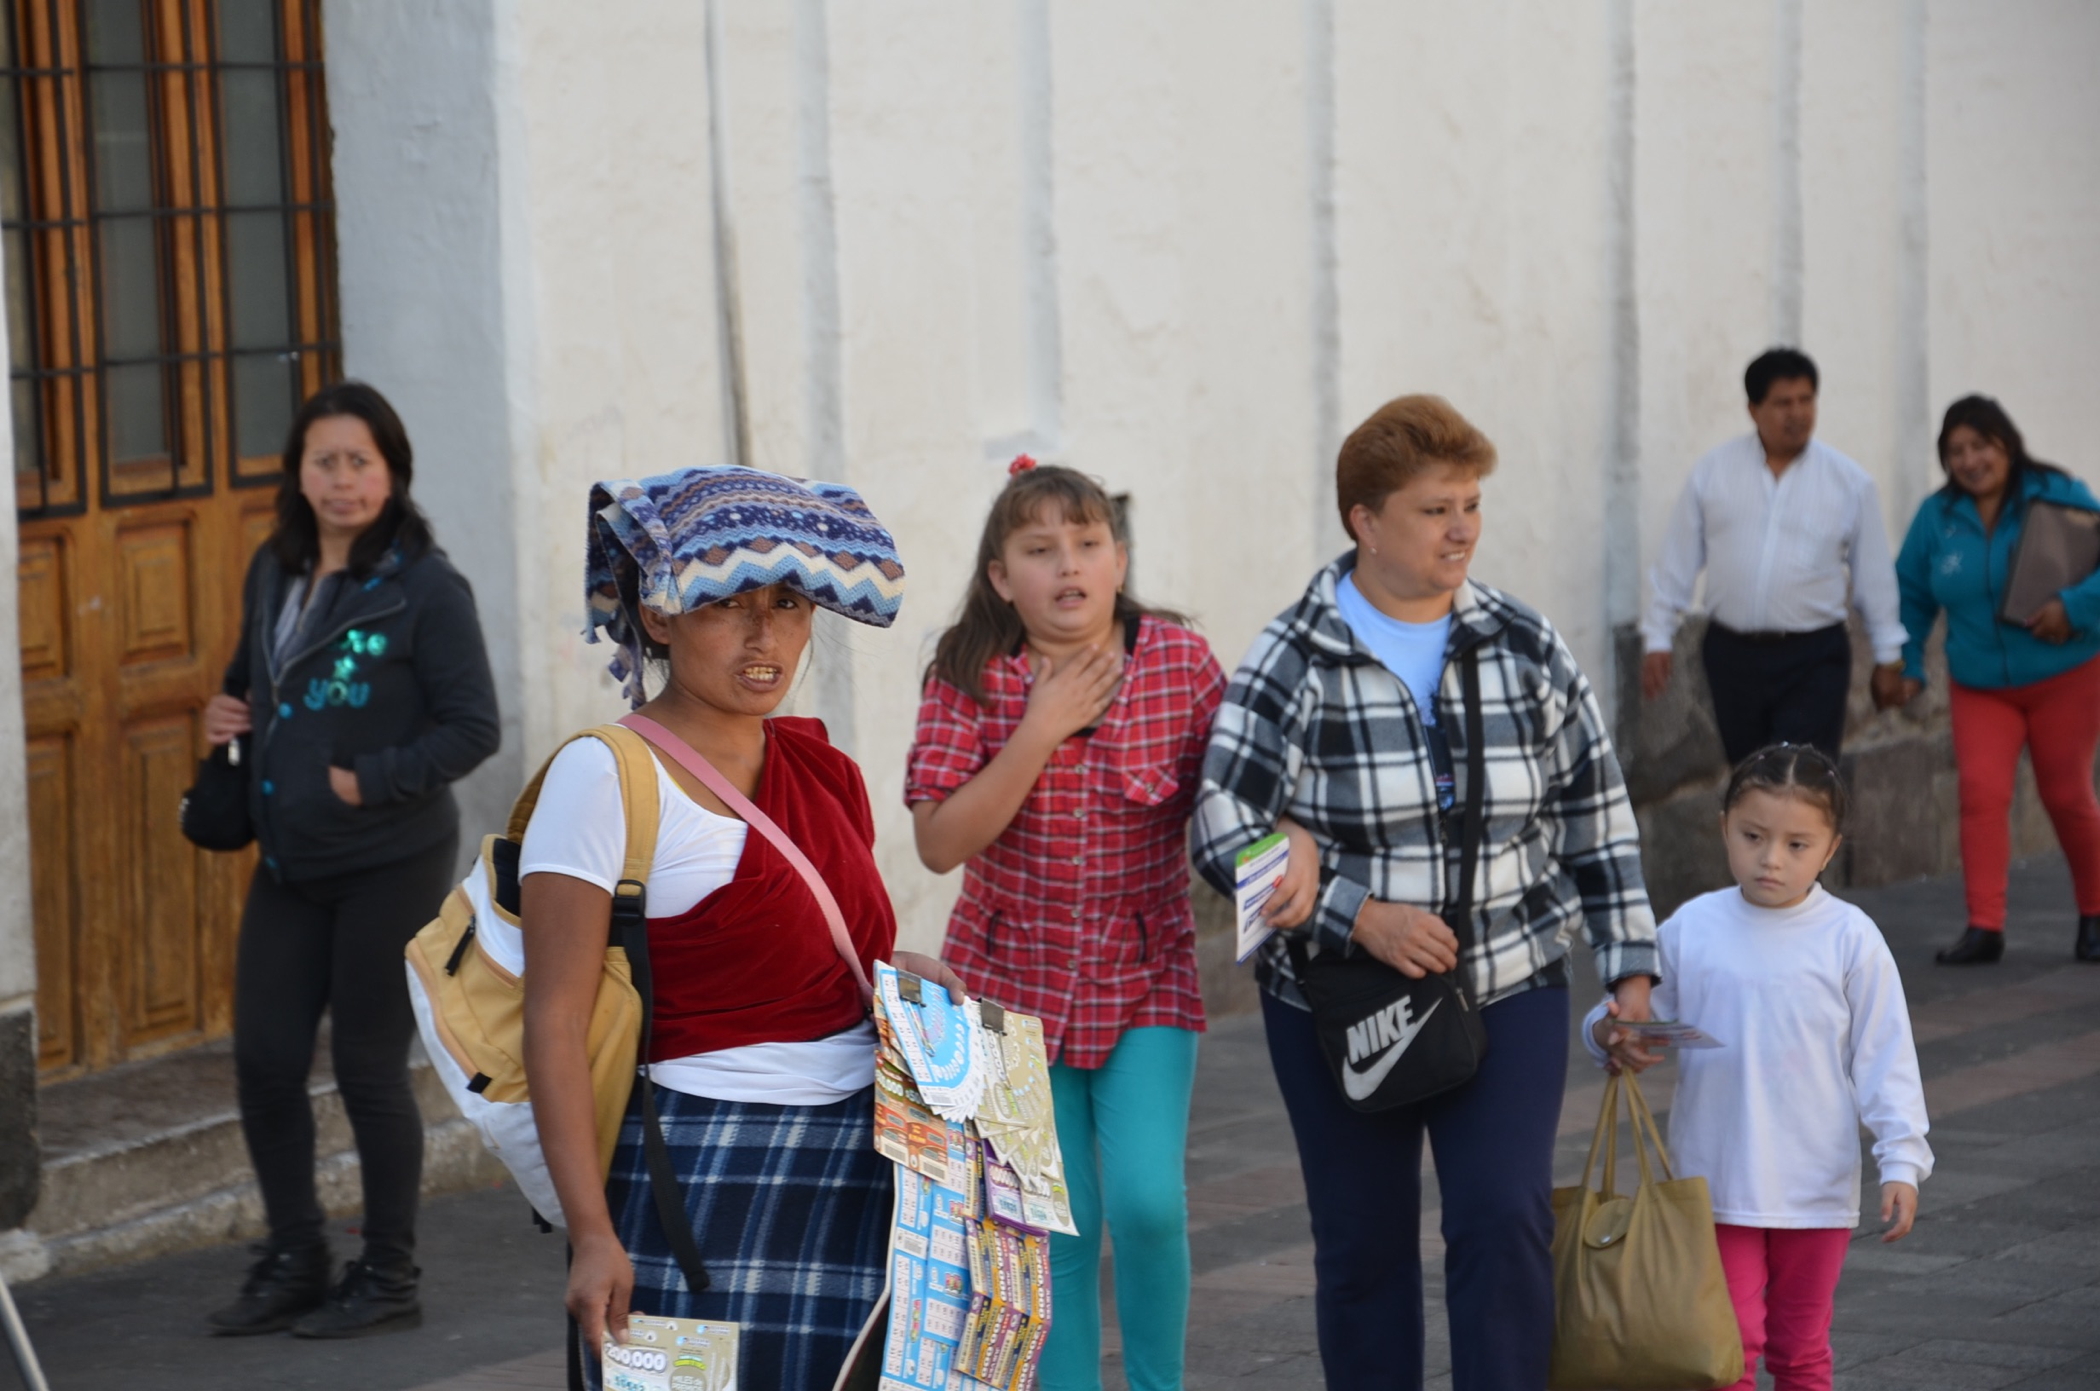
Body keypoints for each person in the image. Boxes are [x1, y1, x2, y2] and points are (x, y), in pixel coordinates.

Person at [1193, 395, 1658, 1391]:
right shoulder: (1295, 653)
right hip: (1342, 999)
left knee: (1503, 1219)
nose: (1461, 530)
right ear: (1364, 517)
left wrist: (1630, 967)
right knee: (1363, 1248)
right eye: (1434, 508)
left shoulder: (1523, 640)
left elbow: (1594, 806)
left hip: (1511, 976)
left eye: (1471, 505)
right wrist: (1353, 911)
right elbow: (1220, 822)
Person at [520, 466, 959, 1391]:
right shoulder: (603, 778)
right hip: (699, 1172)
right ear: (660, 615)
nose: (768, 636)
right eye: (728, 602)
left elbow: (833, 944)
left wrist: (899, 972)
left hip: (867, 1160)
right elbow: (553, 1021)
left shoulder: (819, 763)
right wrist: (593, 1234)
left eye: (790, 602)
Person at [906, 457, 1225, 1391]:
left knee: (1148, 1204)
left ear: (1119, 559)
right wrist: (1039, 728)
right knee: (1048, 1226)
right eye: (1040, 549)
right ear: (1002, 576)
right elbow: (937, 841)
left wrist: (1285, 870)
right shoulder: (968, 671)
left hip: (1148, 971)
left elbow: (1238, 800)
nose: (1068, 565)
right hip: (1007, 987)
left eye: (1087, 543)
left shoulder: (1179, 660)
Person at [202, 381, 501, 1337]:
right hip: (290, 858)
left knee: (369, 1069)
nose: (342, 480)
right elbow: (254, 680)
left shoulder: (425, 586)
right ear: (298, 471)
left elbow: (472, 726)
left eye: (359, 462)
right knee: (266, 1059)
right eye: (324, 461)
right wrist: (224, 710)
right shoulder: (274, 568)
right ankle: (296, 1254)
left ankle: (389, 1274)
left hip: (390, 859)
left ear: (392, 472)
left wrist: (367, 781)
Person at [1587, 744, 1931, 1391]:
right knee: (1724, 1348)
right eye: (1753, 836)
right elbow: (1629, 1010)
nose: (1771, 857)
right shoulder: (1694, 927)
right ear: (1724, 827)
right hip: (1714, 1185)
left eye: (1798, 843)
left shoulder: (1850, 937)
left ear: (1831, 849)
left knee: (1800, 1349)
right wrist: (1609, 1031)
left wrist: (1902, 1161)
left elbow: (1887, 1056)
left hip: (1815, 1188)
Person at [1888, 395, 2100, 965]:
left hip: (2066, 675)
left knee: (2067, 795)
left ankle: (2095, 914)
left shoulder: (2058, 492)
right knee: (1981, 795)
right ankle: (1985, 927)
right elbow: (1908, 594)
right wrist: (1907, 665)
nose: (1969, 460)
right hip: (1980, 684)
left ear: (2005, 443)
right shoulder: (1937, 517)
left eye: (1979, 445)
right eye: (1955, 451)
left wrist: (2073, 608)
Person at [1641, 347, 1908, 763]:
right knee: (1750, 776)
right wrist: (1658, 635)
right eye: (1783, 403)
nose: (1797, 413)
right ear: (1753, 409)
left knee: (1799, 778)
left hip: (1813, 657)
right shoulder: (1713, 472)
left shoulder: (1849, 482)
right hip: (1732, 655)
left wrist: (1889, 655)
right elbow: (1678, 559)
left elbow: (1874, 575)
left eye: (1806, 400)